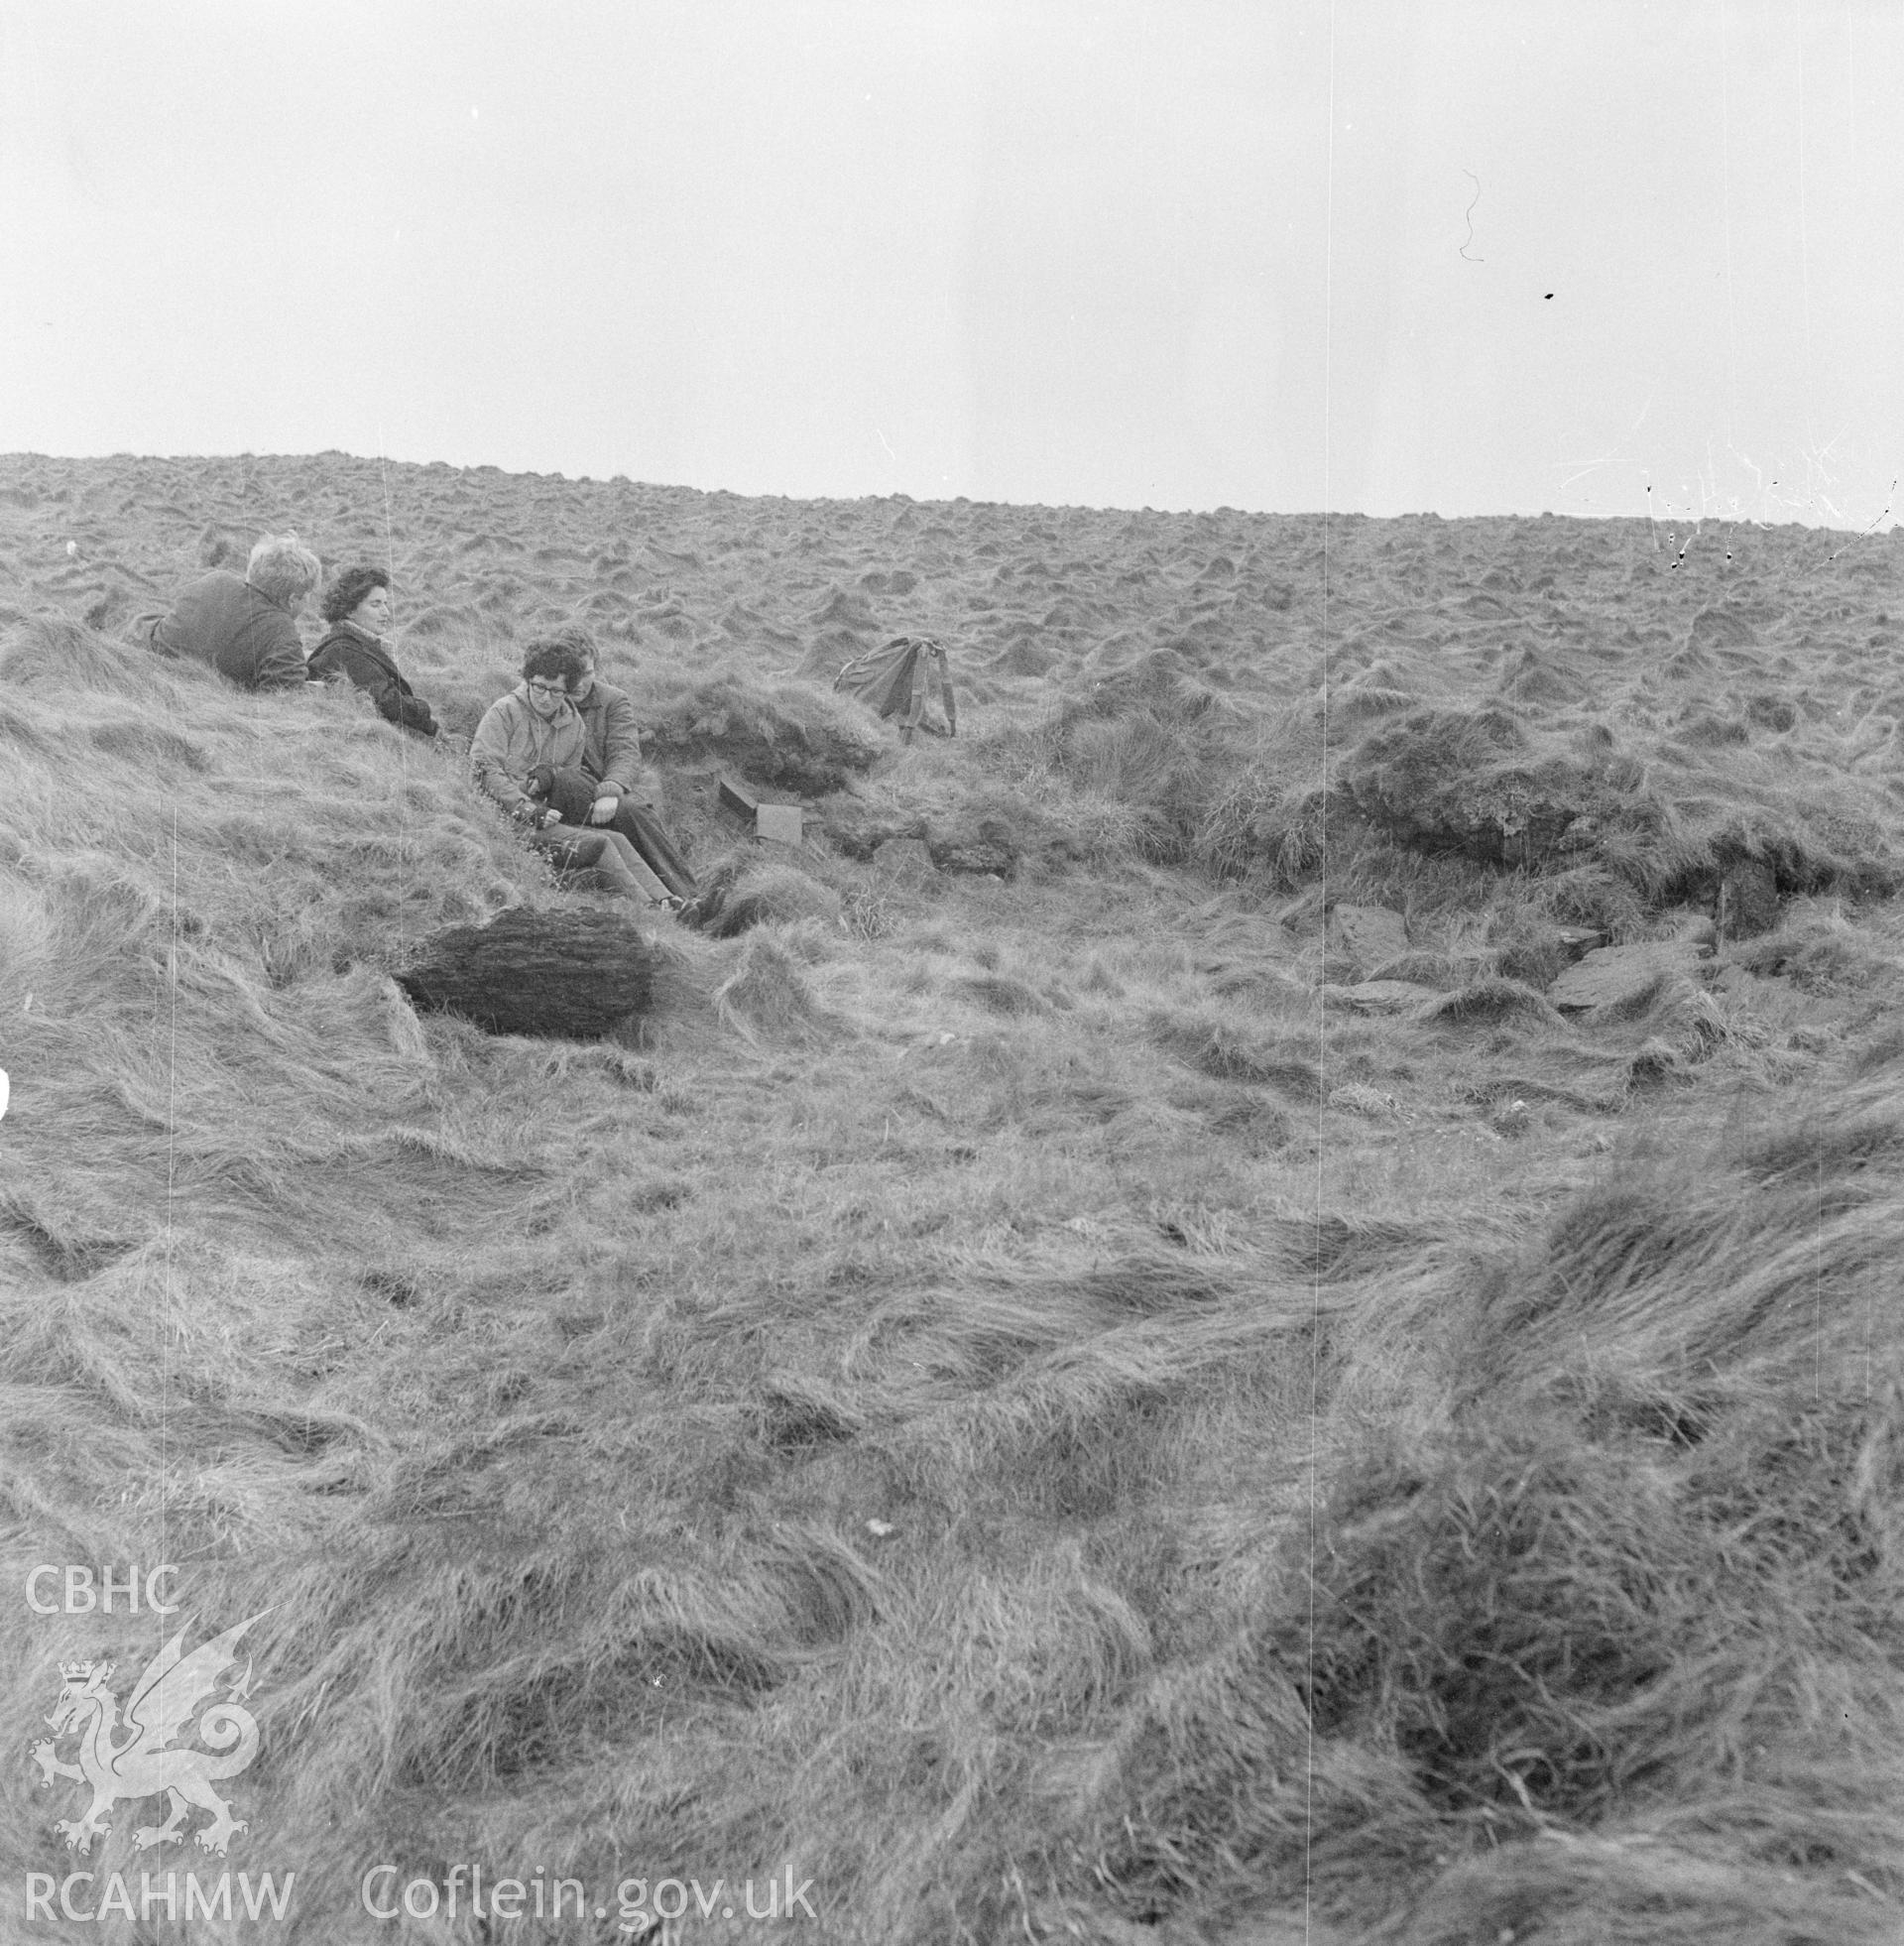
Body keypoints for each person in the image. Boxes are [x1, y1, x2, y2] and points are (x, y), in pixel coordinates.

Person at [469, 639, 678, 909]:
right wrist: (525, 808)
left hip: (549, 820)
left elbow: (569, 780)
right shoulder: (505, 712)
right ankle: (650, 909)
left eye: (556, 691)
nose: (546, 697)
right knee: (599, 843)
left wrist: (551, 780)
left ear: (568, 691)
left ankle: (670, 902)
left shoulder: (574, 726)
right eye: (540, 687)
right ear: (528, 680)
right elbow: (484, 768)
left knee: (618, 838)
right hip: (506, 820)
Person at [550, 625, 698, 900]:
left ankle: (688, 897)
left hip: (603, 790)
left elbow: (625, 750)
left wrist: (611, 788)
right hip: (563, 796)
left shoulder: (613, 700)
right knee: (571, 781)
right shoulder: (546, 698)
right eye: (573, 675)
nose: (580, 684)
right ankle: (667, 900)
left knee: (632, 810)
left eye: (588, 674)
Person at [149, 535, 320, 690]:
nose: (308, 602)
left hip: (146, 670)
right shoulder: (282, 630)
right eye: (307, 596)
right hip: (197, 703)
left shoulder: (216, 580)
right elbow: (285, 700)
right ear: (292, 599)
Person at [306, 565, 439, 737]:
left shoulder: (351, 642)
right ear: (350, 610)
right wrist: (426, 712)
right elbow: (388, 702)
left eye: (385, 604)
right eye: (375, 604)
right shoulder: (344, 650)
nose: (386, 612)